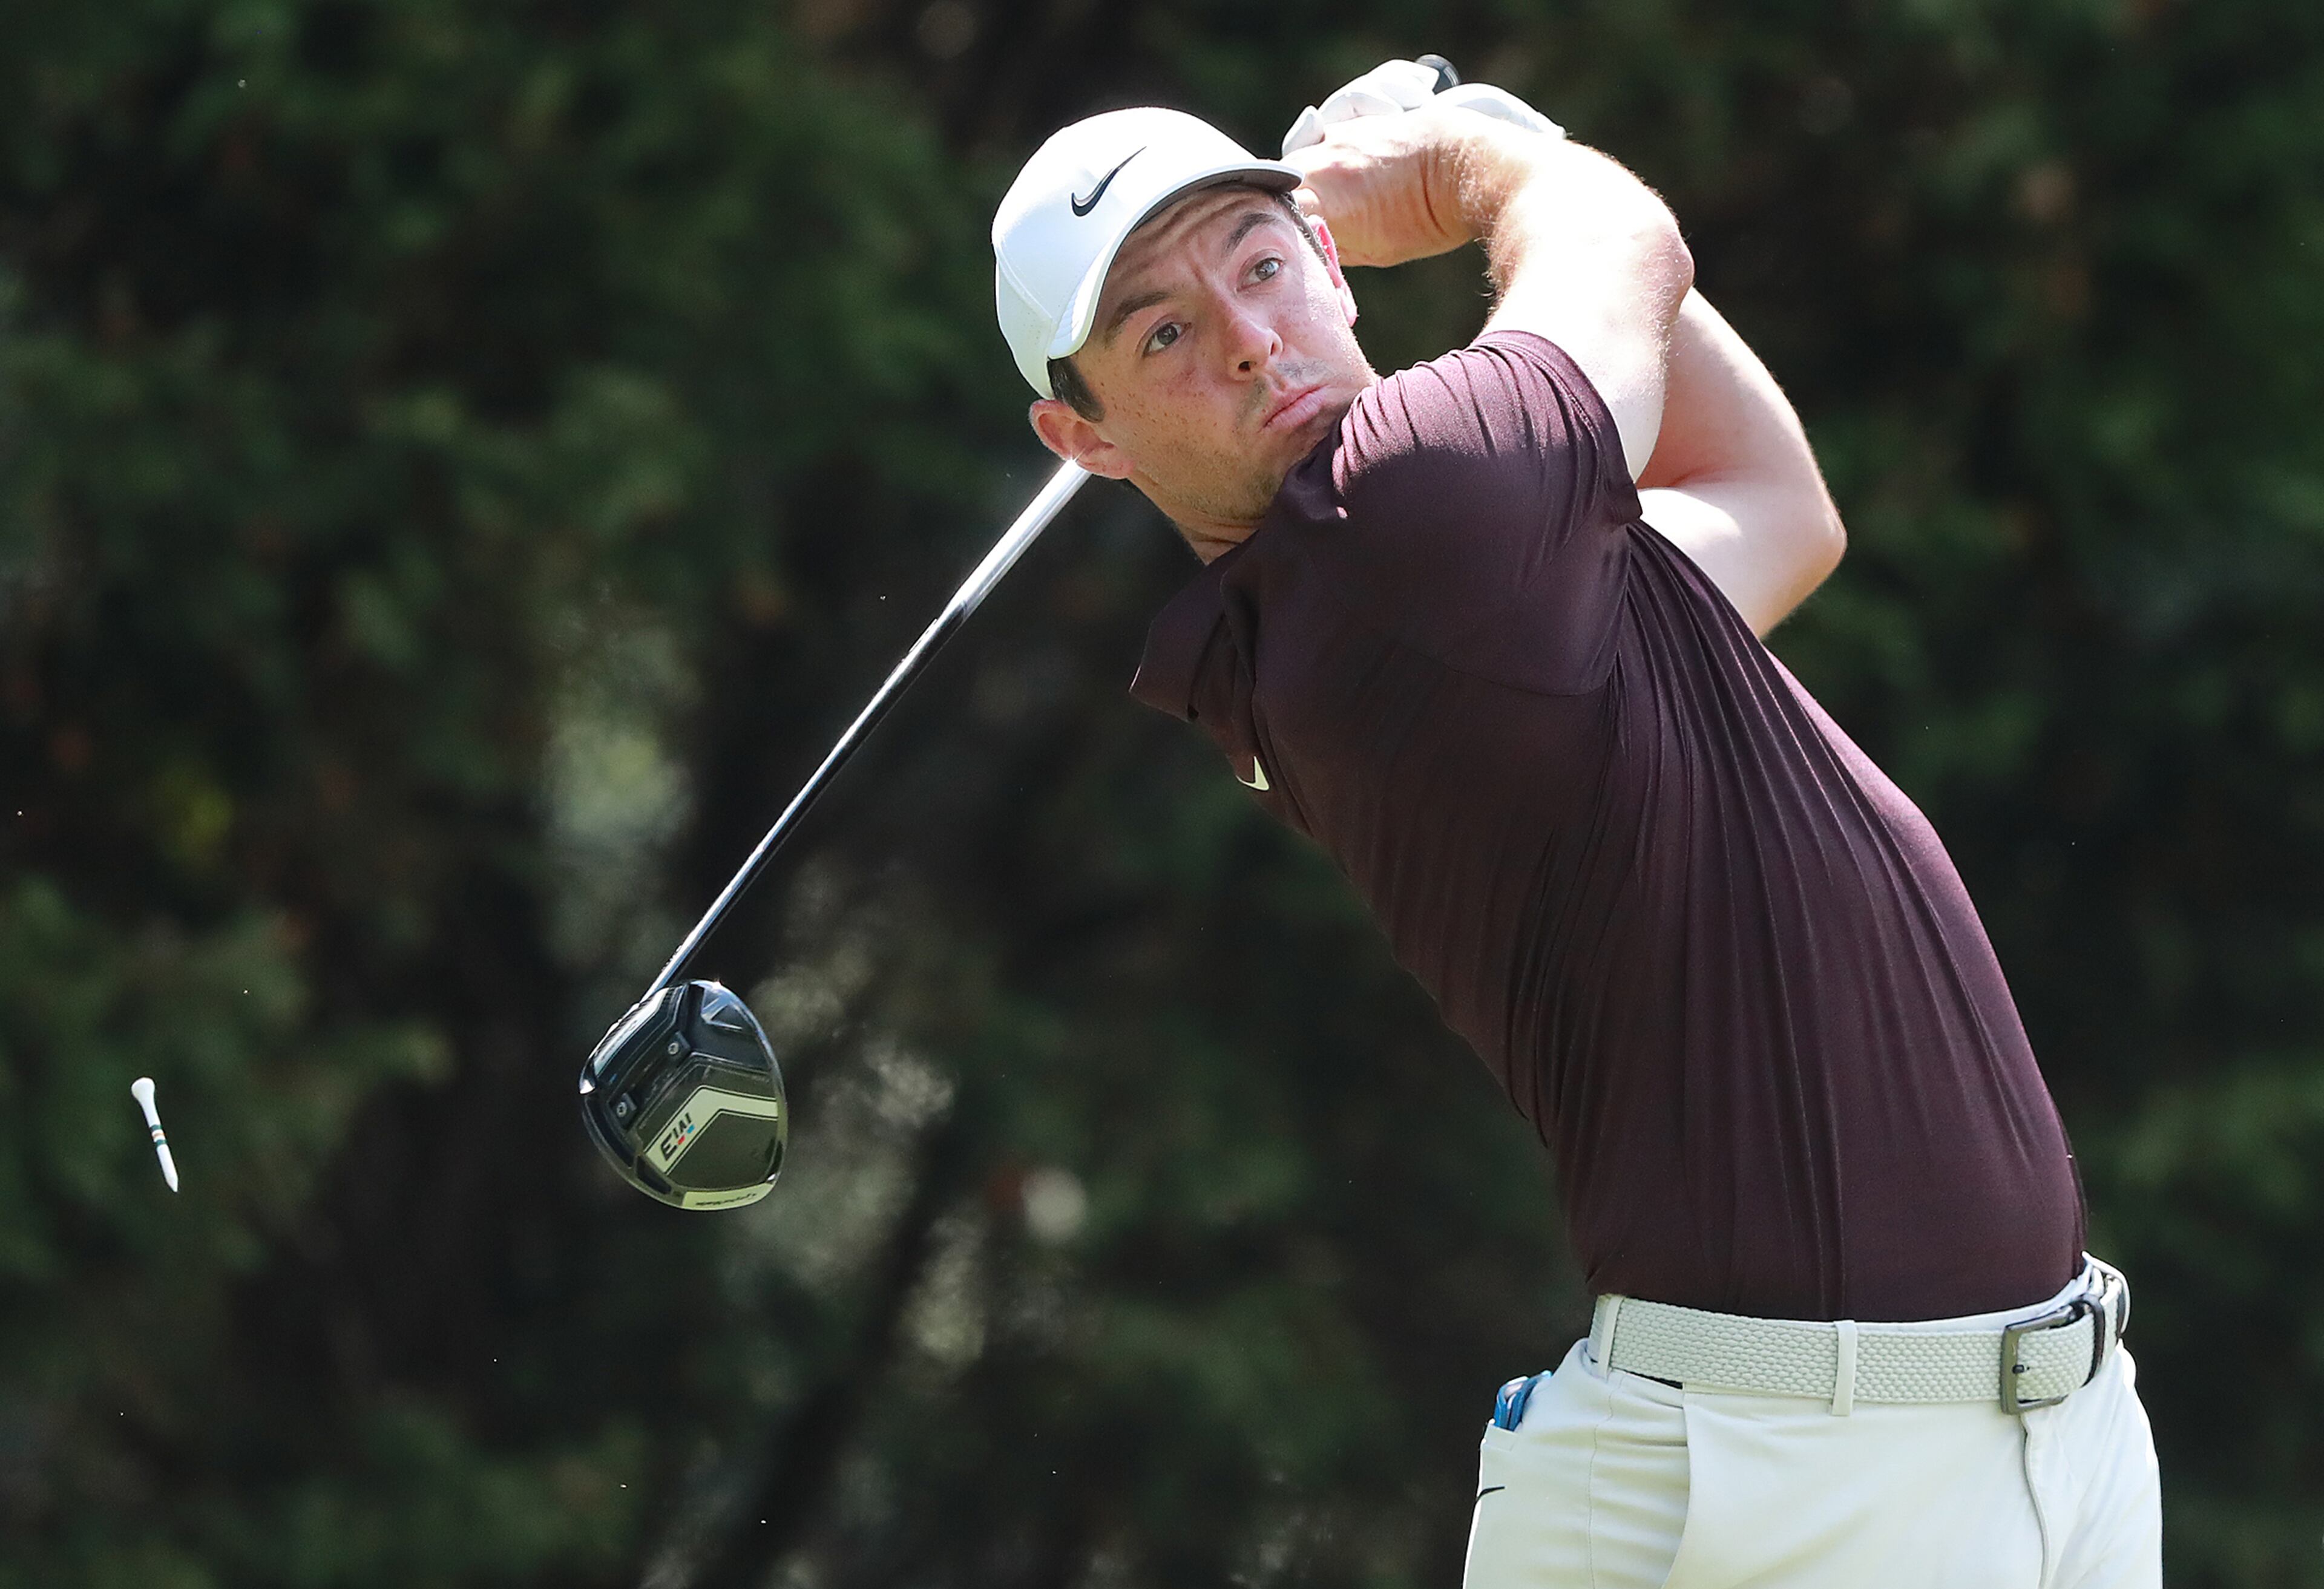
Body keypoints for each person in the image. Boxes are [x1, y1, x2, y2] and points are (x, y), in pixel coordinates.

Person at [990, 60, 2161, 1588]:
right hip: (1793, 1472)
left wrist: (1513, 158)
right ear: (1088, 439)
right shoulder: (1405, 518)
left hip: (2001, 1433)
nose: (1252, 339)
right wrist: (1475, 165)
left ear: (1325, 268)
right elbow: (1626, 241)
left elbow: (1777, 502)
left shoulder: (1447, 589)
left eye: (1262, 263)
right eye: (1164, 332)